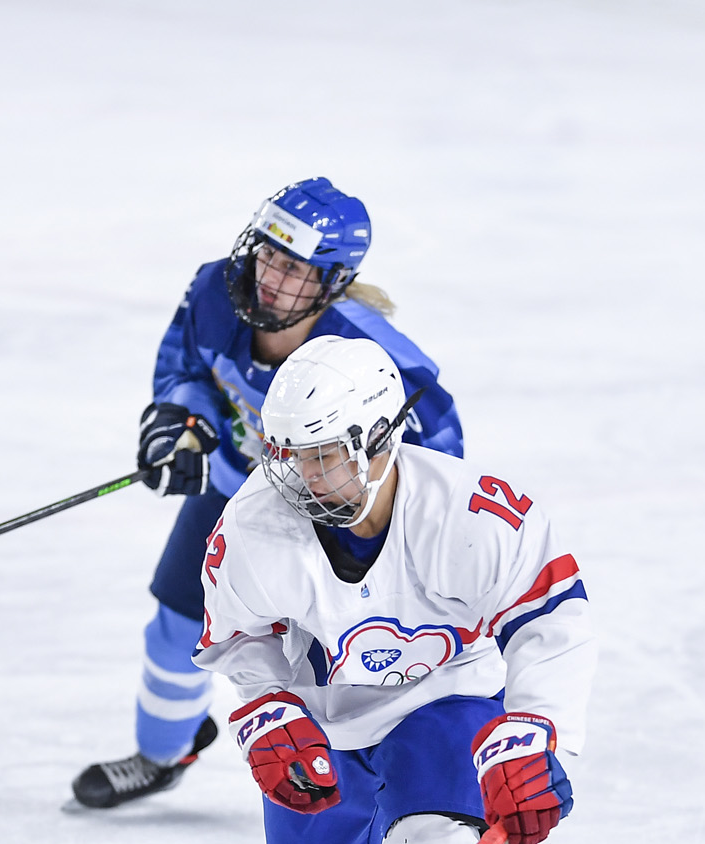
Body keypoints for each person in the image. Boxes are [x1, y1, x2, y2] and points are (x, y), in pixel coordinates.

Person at [193, 335, 595, 844]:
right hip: (328, 709)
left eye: (325, 456)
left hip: (447, 698)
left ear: (379, 440)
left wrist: (535, 731)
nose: (306, 477)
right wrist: (266, 711)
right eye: (291, 457)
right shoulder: (255, 529)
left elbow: (554, 619)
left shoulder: (470, 516)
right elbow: (237, 639)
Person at [71, 178, 464, 807]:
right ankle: (162, 752)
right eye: (268, 255)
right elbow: (185, 369)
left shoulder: (379, 357)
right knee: (177, 624)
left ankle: (367, 777)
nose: (271, 279)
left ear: (333, 282)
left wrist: (396, 531)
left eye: (296, 269)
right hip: (239, 491)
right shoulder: (212, 292)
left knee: (344, 656)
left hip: (339, 516)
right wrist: (184, 424)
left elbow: (435, 451)